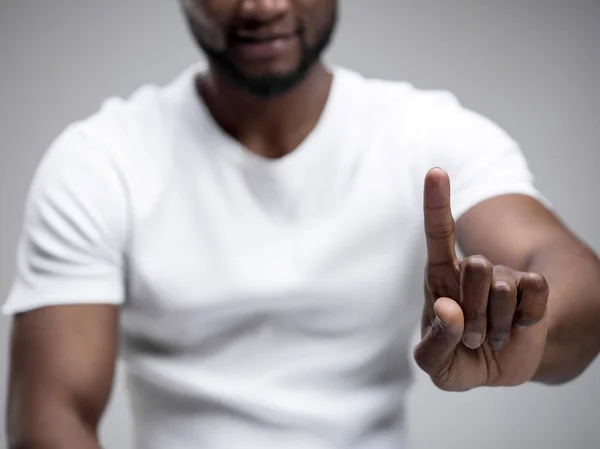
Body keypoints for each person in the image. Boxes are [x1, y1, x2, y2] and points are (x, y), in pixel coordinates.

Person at [4, 1, 600, 448]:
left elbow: (565, 267)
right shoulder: (101, 160)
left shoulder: (426, 133)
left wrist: (530, 329)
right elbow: (53, 418)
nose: (264, 5)